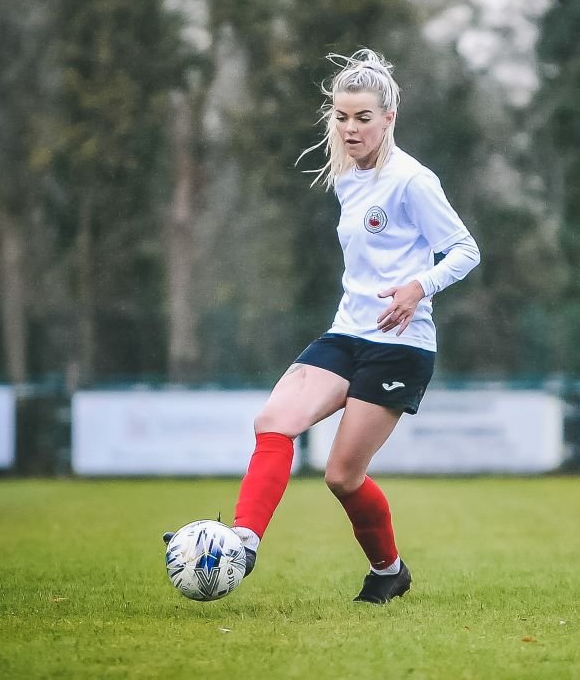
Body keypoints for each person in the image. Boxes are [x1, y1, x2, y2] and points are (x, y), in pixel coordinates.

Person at [165, 49, 480, 604]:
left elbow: (465, 250)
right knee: (273, 422)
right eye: (341, 117)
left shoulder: (412, 180)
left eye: (363, 117)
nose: (351, 128)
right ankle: (243, 543)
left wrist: (418, 287)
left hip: (399, 345)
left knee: (341, 476)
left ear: (389, 119)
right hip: (346, 332)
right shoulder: (346, 178)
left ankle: (389, 570)